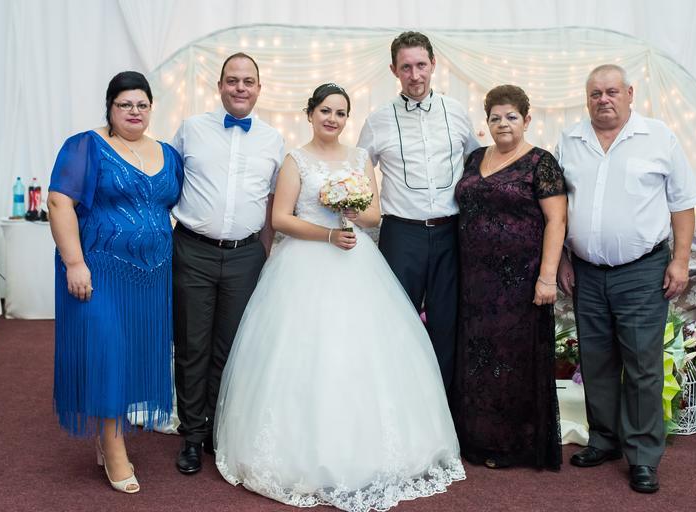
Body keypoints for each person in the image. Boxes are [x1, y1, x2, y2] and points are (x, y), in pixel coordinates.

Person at [213, 83, 464, 511]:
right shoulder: (295, 159)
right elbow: (281, 218)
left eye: (341, 113)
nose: (333, 119)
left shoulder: (360, 158)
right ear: (310, 113)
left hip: (355, 260)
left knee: (362, 354)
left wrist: (350, 209)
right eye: (325, 111)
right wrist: (327, 233)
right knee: (305, 354)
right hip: (304, 264)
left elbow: (375, 215)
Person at [556, 64, 696, 493]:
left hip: (642, 271)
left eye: (612, 91)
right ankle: (604, 440)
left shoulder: (658, 137)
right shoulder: (569, 140)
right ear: (587, 99)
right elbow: (559, 207)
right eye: (595, 93)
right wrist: (563, 259)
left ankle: (642, 456)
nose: (603, 99)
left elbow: (682, 203)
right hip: (585, 271)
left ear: (630, 93)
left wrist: (680, 260)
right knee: (596, 362)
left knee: (641, 365)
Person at [48, 71, 183, 493]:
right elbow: (59, 202)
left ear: (151, 108)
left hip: (152, 276)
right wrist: (74, 263)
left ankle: (112, 431)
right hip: (98, 271)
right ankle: (112, 442)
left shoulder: (168, 153)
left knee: (132, 352)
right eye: (125, 104)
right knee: (107, 351)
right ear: (110, 107)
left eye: (142, 104)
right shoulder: (86, 146)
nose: (134, 111)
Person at [171, 52, 284, 474]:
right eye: (232, 80)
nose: (240, 88)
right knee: (192, 346)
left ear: (259, 88)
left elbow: (272, 204)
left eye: (248, 81)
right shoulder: (191, 130)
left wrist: (266, 254)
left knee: (231, 348)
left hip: (245, 255)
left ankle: (216, 430)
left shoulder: (273, 140)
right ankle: (190, 435)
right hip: (193, 251)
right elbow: (167, 184)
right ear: (219, 86)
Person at [450, 85, 566, 470]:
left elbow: (557, 221)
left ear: (526, 120)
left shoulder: (541, 162)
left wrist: (547, 277)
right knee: (478, 359)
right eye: (495, 117)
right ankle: (477, 439)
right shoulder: (474, 159)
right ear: (487, 122)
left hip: (521, 282)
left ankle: (513, 445)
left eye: (511, 116)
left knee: (514, 360)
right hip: (475, 281)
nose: (503, 123)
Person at [357, 31, 480, 389]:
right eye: (406, 67)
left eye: (421, 65)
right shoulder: (377, 120)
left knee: (447, 324)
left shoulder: (457, 113)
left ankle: (444, 409)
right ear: (394, 70)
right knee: (396, 321)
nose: (415, 75)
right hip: (401, 234)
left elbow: (478, 166)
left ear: (433, 64)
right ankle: (398, 401)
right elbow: (359, 173)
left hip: (450, 233)